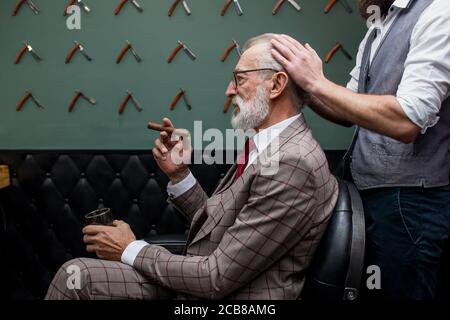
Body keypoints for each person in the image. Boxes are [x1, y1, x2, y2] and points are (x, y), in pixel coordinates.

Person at [45, 34, 338, 300]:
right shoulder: (269, 146)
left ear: (276, 85)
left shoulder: (291, 163)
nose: (228, 91)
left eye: (239, 79)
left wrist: (129, 249)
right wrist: (180, 175)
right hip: (210, 283)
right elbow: (223, 227)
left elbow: (216, 278)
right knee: (76, 277)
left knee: (76, 278)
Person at [270, 0, 450, 300]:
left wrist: (316, 82)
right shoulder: (378, 28)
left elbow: (408, 119)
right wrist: (300, 88)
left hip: (410, 205)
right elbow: (347, 107)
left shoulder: (439, 13)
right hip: (366, 194)